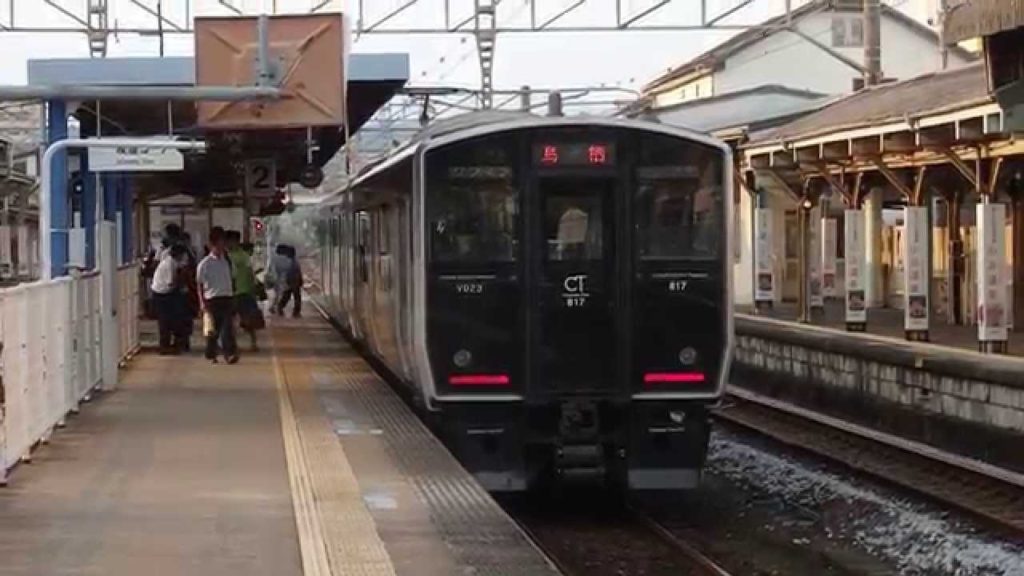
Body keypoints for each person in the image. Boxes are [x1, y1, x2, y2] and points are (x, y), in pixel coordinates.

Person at [196, 227, 238, 364]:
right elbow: (199, 285)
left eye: (223, 244)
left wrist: (234, 295)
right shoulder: (204, 264)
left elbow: (233, 278)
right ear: (211, 245)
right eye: (219, 245)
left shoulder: (228, 261)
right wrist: (202, 303)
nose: (221, 248)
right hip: (211, 300)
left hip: (227, 298)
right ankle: (211, 353)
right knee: (212, 331)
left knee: (227, 329)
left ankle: (229, 354)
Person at [227, 231, 264, 351]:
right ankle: (233, 344)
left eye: (230, 241)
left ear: (236, 241)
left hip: (243, 291)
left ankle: (253, 343)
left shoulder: (243, 256)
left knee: (248, 320)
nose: (228, 243)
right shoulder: (226, 255)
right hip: (230, 292)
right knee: (230, 320)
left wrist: (253, 289)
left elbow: (250, 274)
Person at [150, 244, 187, 355]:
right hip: (161, 294)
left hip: (166, 293)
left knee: (171, 319)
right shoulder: (169, 264)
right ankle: (164, 346)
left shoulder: (173, 262)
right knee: (164, 321)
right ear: (178, 254)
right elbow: (171, 283)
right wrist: (181, 284)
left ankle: (171, 344)